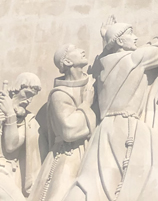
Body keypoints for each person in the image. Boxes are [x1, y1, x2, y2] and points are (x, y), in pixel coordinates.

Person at [65, 12, 158, 201]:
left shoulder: (105, 64)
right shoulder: (133, 60)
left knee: (104, 179)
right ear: (119, 42)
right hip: (125, 126)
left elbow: (147, 46)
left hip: (106, 129)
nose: (135, 38)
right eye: (130, 34)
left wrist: (105, 40)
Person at [27, 45, 96, 201]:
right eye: (75, 49)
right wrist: (86, 105)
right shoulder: (59, 95)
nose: (82, 50)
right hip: (68, 155)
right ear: (67, 61)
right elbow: (69, 131)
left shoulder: (91, 84)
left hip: (92, 150)